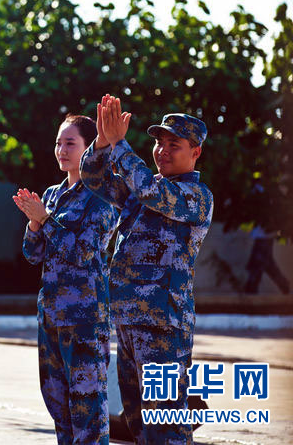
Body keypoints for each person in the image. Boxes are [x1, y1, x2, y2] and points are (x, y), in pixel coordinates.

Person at [80, 95, 213, 445]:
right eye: (158, 142)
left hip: (162, 327)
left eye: (174, 144)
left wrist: (121, 146)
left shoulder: (195, 196)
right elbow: (94, 178)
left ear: (195, 152)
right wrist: (102, 143)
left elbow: (154, 192)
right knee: (138, 423)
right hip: (127, 322)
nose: (162, 150)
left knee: (165, 423)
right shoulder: (140, 191)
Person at [13, 115, 117, 445]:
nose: (61, 150)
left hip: (85, 319)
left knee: (87, 409)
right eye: (59, 142)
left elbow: (83, 253)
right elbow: (32, 255)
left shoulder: (102, 196)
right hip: (52, 317)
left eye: (70, 143)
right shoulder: (53, 194)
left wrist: (44, 219)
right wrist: (33, 224)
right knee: (59, 407)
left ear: (90, 149)